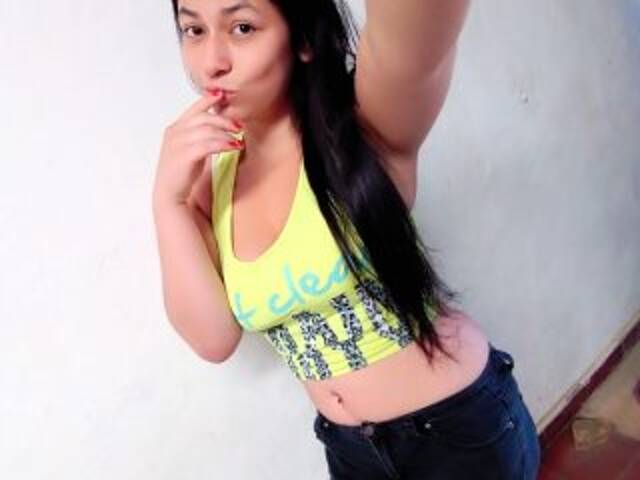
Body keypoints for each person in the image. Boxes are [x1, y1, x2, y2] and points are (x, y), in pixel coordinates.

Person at [152, 1, 542, 478]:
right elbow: (213, 339)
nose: (211, 61)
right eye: (193, 30)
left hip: (455, 432)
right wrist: (168, 201)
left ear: (302, 38)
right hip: (349, 449)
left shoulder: (365, 125)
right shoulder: (211, 179)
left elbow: (420, 19)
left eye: (243, 27)